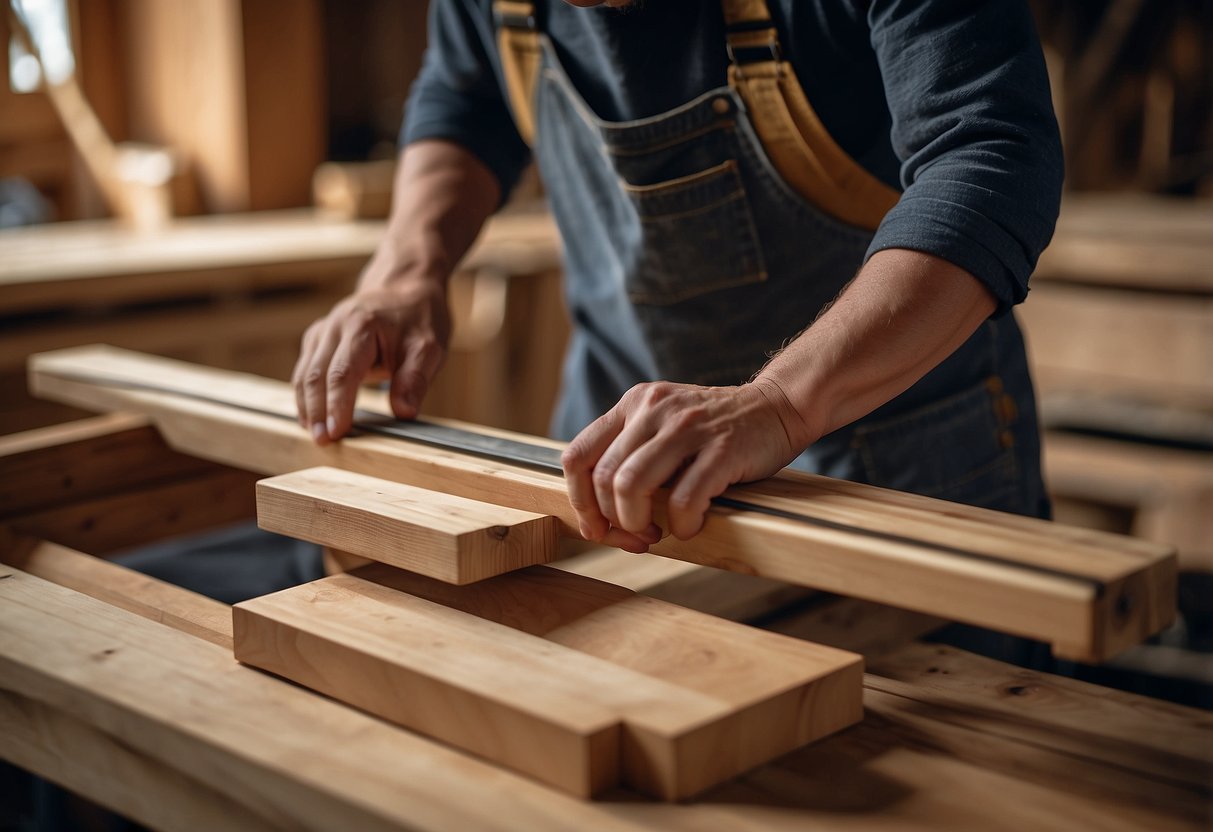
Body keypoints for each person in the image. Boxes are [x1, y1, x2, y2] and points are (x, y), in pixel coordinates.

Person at [294, 0, 1064, 555]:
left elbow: (988, 157)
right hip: (618, 456)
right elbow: (465, 98)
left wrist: (779, 405)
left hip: (895, 463)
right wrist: (404, 272)